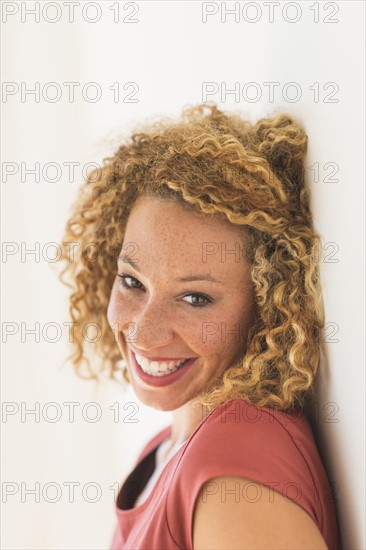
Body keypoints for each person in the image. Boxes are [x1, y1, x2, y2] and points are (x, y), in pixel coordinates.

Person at [58, 103, 341, 549]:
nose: (144, 333)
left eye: (195, 299)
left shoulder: (233, 480)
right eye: (132, 281)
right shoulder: (173, 444)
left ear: (266, 307)